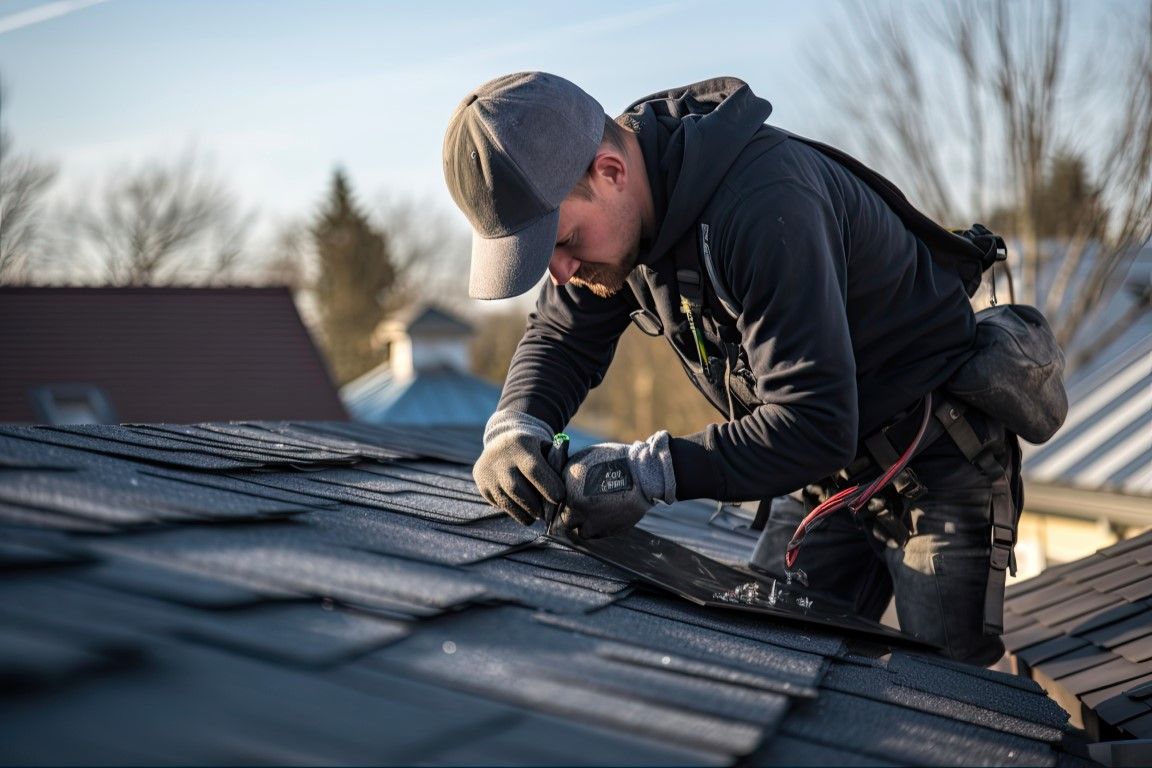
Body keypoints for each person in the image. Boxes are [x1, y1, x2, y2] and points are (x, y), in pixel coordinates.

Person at [442, 71, 1018, 665]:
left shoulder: (765, 206)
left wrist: (649, 472)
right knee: (772, 661)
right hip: (825, 475)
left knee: (949, 697)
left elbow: (815, 420)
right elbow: (562, 336)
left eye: (563, 242)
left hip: (932, 461)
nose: (560, 273)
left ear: (610, 172)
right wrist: (517, 425)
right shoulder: (621, 215)